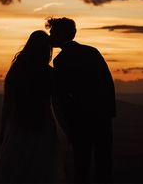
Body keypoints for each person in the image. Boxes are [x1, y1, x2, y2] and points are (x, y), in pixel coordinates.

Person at [46, 17, 116, 183]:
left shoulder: (61, 60)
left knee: (81, 166)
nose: (50, 35)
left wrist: (68, 124)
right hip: (102, 118)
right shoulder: (92, 52)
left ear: (62, 34)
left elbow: (63, 96)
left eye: (53, 32)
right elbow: (107, 83)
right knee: (104, 166)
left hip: (80, 121)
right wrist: (109, 113)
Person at [0, 30, 64, 183]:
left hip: (18, 124)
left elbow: (8, 103)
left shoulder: (17, 70)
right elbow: (57, 103)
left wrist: (3, 129)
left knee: (16, 170)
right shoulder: (49, 73)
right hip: (42, 125)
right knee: (41, 170)